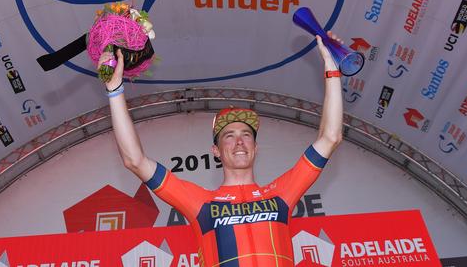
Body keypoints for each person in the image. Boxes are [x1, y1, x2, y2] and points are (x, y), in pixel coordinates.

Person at [99, 33, 344, 266]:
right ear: (215, 151)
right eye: (229, 136)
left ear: (255, 148)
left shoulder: (281, 193)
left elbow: (330, 137)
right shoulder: (200, 202)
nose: (239, 141)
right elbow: (135, 160)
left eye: (246, 135)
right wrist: (115, 90)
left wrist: (331, 68)